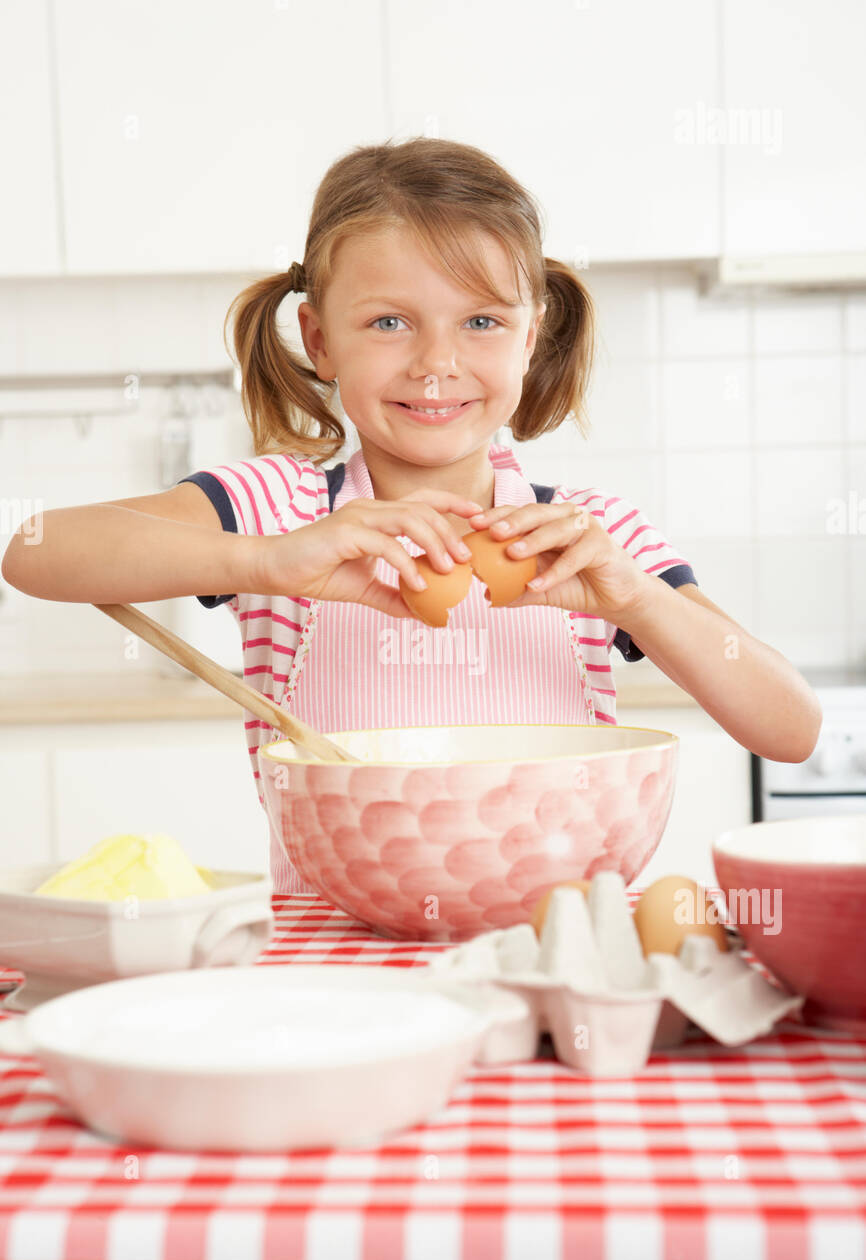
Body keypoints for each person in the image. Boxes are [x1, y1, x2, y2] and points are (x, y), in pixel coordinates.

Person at [1, 136, 822, 895]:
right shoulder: (278, 510)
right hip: (332, 944)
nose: (437, 363)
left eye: (482, 322)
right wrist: (263, 562)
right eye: (389, 322)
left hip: (550, 937)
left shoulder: (591, 539)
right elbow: (35, 551)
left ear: (530, 338)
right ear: (320, 341)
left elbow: (790, 726)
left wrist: (638, 600)